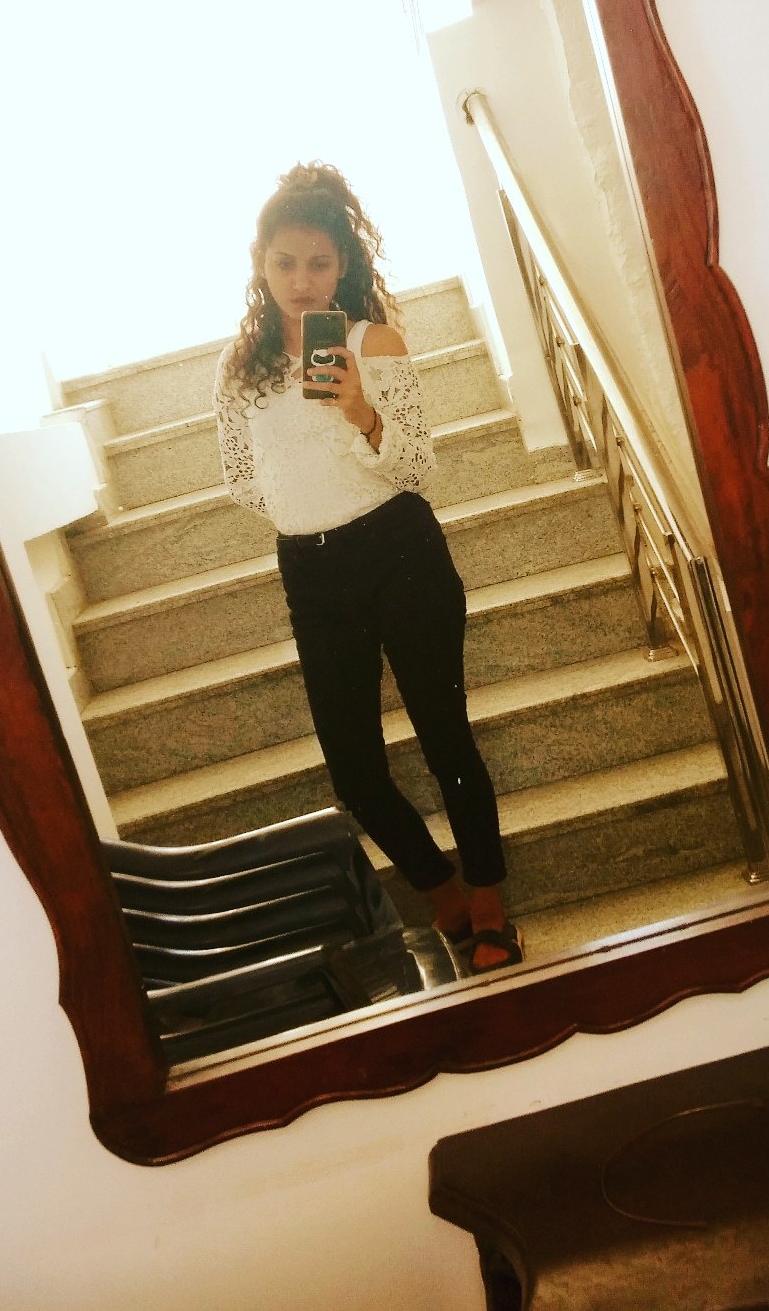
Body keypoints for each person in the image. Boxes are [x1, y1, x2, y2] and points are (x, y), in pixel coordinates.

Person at [213, 163, 522, 971]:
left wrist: (358, 411)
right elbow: (241, 478)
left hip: (399, 552)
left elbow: (417, 465)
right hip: (312, 573)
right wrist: (304, 511)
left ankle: (489, 906)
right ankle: (444, 897)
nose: (301, 281)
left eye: (319, 263)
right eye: (285, 262)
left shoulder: (372, 343)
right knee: (354, 771)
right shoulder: (240, 369)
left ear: (343, 265)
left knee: (445, 738)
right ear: (261, 263)